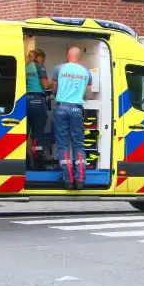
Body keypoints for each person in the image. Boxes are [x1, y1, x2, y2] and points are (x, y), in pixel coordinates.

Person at [52, 46, 92, 190]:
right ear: (79, 57)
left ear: (68, 55)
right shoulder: (87, 72)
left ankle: (68, 180)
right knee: (78, 144)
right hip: (76, 109)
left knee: (63, 144)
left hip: (61, 108)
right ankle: (80, 180)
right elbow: (88, 95)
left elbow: (54, 89)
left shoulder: (59, 69)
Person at [25, 49, 52, 164]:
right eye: (43, 59)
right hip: (37, 101)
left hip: (25, 100)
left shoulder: (25, 67)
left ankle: (25, 161)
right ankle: (38, 161)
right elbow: (45, 86)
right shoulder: (40, 67)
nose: (44, 62)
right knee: (38, 133)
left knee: (25, 133)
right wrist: (55, 83)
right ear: (40, 57)